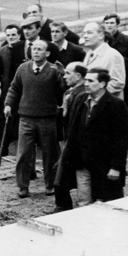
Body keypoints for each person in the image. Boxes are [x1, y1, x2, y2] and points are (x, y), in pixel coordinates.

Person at [5, 39, 65, 198]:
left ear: (47, 53)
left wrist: (62, 75)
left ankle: (51, 185)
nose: (36, 52)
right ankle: (23, 187)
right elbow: (14, 88)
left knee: (50, 154)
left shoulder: (53, 70)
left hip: (47, 119)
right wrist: (8, 104)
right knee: (23, 153)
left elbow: (62, 92)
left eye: (40, 49)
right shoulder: (23, 68)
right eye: (34, 49)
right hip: (26, 118)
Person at [63, 69, 128, 204]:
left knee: (104, 203)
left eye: (90, 81)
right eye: (86, 80)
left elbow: (122, 139)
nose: (86, 84)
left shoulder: (116, 105)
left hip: (104, 165)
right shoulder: (81, 100)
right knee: (83, 201)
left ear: (102, 84)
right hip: (82, 162)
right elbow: (74, 130)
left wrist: (116, 167)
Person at [53, 62, 88, 211]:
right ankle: (63, 206)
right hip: (70, 142)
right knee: (59, 174)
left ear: (78, 76)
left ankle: (63, 207)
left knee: (61, 176)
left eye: (68, 73)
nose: (64, 76)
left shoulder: (82, 95)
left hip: (75, 145)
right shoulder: (70, 93)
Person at [0, 24, 25, 155]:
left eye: (13, 35)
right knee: (3, 118)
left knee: (20, 118)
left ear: (19, 35)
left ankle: (19, 146)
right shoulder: (3, 51)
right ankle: (2, 146)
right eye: (8, 35)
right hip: (6, 90)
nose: (11, 37)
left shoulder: (25, 50)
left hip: (22, 90)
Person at [81, 21, 127, 100]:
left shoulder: (112, 55)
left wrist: (94, 92)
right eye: (84, 33)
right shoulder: (89, 53)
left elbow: (117, 84)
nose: (85, 36)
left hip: (106, 105)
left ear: (101, 35)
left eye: (89, 33)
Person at [103, 13, 128, 104]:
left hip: (125, 80)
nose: (109, 25)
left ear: (117, 24)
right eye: (106, 23)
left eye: (111, 23)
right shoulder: (102, 40)